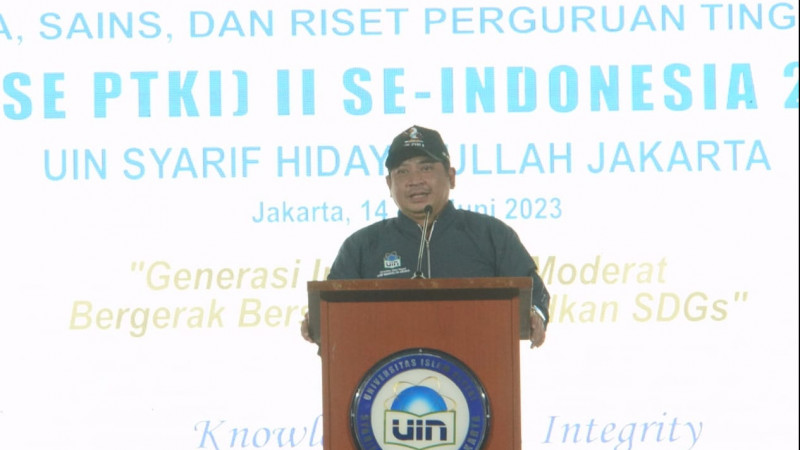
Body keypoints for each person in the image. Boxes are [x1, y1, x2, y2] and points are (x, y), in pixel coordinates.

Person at [302, 125, 550, 348]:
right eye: (402, 172)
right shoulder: (361, 246)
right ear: (389, 184)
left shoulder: (490, 235)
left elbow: (533, 292)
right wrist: (318, 322)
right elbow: (330, 313)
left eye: (426, 168)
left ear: (451, 177)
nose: (414, 181)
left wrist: (535, 314)